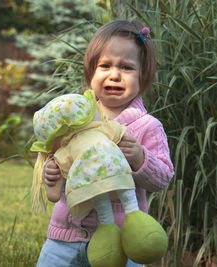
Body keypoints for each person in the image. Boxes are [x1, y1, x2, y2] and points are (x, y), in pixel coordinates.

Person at [36, 19, 174, 267]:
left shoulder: (146, 126)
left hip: (121, 243)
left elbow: (163, 178)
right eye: (105, 65)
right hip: (66, 236)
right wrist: (51, 172)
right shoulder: (75, 118)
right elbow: (58, 155)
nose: (115, 74)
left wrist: (140, 158)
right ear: (91, 73)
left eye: (127, 67)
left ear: (143, 76)